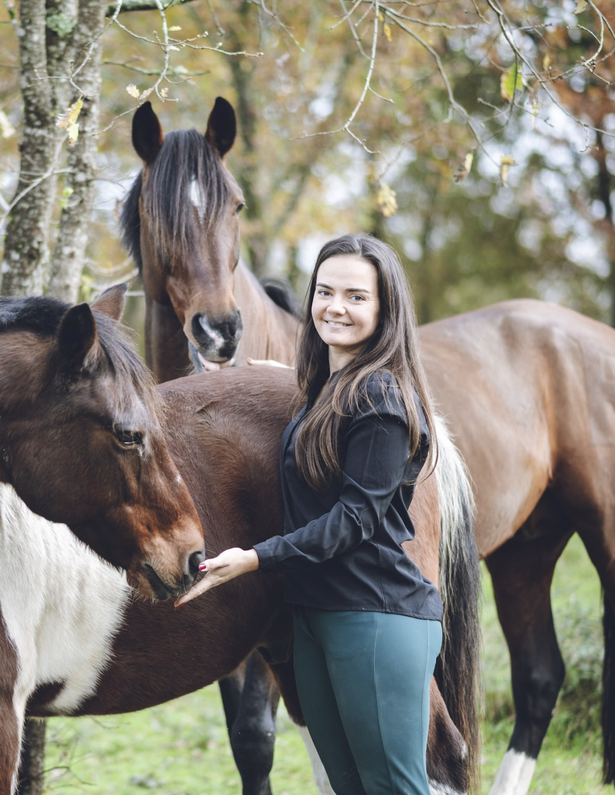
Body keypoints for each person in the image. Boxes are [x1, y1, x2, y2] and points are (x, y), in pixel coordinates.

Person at [174, 233, 442, 795]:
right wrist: (276, 376)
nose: (335, 307)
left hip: (374, 617)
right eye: (325, 292)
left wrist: (254, 558)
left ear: (385, 308)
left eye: (356, 296)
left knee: (395, 787)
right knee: (348, 786)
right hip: (317, 619)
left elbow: (355, 521)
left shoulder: (382, 398)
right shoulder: (327, 390)